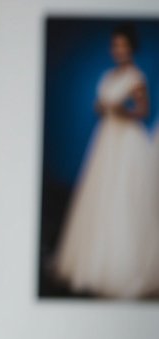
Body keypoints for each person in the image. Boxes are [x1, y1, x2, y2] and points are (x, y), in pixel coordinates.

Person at [53, 23, 159, 298]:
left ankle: (125, 266)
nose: (118, 50)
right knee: (100, 197)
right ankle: (94, 265)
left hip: (127, 143)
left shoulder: (136, 78)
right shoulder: (108, 76)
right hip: (106, 141)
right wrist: (104, 108)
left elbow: (143, 111)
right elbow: (101, 107)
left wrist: (119, 110)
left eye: (123, 45)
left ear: (131, 48)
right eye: (115, 45)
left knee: (125, 198)